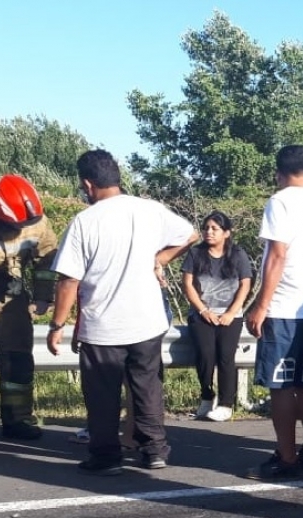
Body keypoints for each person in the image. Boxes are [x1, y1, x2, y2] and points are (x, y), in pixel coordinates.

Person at [47, 149, 198, 475]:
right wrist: (159, 259)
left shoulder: (85, 222)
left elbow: (68, 280)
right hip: (147, 320)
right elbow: (191, 234)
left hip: (103, 326)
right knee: (147, 387)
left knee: (103, 395)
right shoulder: (149, 209)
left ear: (88, 184)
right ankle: (154, 450)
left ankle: (106, 457)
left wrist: (56, 325)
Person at [244, 145, 303, 480]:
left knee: (282, 385)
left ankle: (287, 458)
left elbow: (277, 256)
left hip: (284, 306)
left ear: (278, 175)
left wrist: (261, 304)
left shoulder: (280, 201)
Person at [0, 174, 58, 441]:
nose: (22, 228)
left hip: (13, 300)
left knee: (18, 362)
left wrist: (43, 297)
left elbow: (48, 260)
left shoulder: (37, 223)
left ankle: (17, 419)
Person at [182, 210, 253, 422]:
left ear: (226, 232)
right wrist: (203, 310)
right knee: (205, 355)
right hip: (202, 313)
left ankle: (225, 404)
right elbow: (187, 284)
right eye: (206, 228)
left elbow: (245, 284)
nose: (209, 232)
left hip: (230, 315)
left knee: (225, 357)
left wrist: (231, 312)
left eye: (215, 228)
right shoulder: (195, 254)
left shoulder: (238, 254)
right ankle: (207, 396)